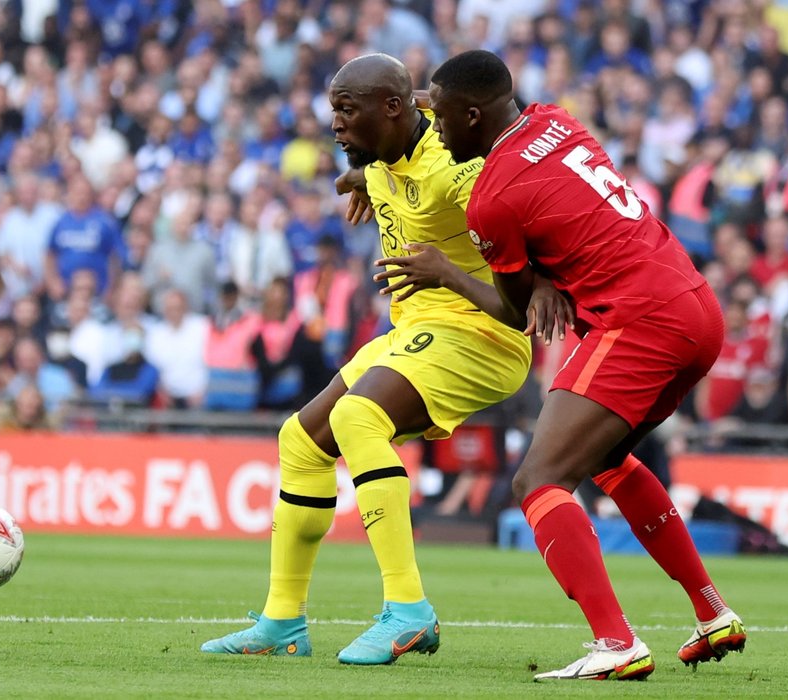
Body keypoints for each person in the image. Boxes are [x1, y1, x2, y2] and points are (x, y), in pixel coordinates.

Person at [377, 50, 746, 681]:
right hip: (695, 307)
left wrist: (446, 271)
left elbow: (516, 313)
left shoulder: (491, 199)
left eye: (438, 117)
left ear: (472, 115)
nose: (432, 129)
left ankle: (615, 642)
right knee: (604, 458)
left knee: (537, 479)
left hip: (640, 321)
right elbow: (558, 224)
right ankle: (712, 611)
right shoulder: (557, 121)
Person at [201, 54, 544, 665]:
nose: (334, 124)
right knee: (300, 440)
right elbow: (404, 108)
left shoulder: (456, 167)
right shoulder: (383, 154)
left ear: (391, 109)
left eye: (345, 110)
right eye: (333, 109)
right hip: (416, 330)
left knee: (357, 418)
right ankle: (283, 623)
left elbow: (528, 239)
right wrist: (367, 175)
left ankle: (408, 610)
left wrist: (545, 286)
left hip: (481, 334)